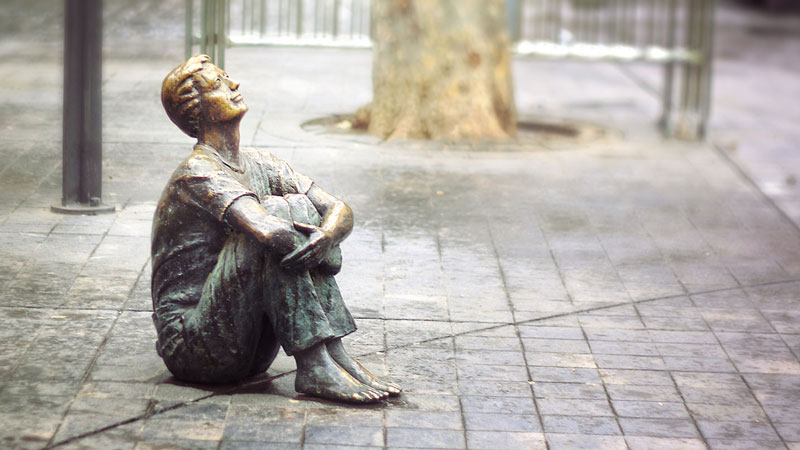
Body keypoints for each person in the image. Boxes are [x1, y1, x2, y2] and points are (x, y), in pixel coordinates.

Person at [152, 54, 400, 403]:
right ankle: (315, 366)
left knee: (295, 208)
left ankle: (333, 355)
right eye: (218, 84)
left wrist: (326, 236)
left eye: (228, 77)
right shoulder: (198, 173)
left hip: (249, 345)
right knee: (276, 215)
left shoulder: (261, 162)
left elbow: (339, 208)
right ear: (197, 109)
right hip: (194, 349)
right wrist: (324, 251)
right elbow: (269, 232)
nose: (234, 84)